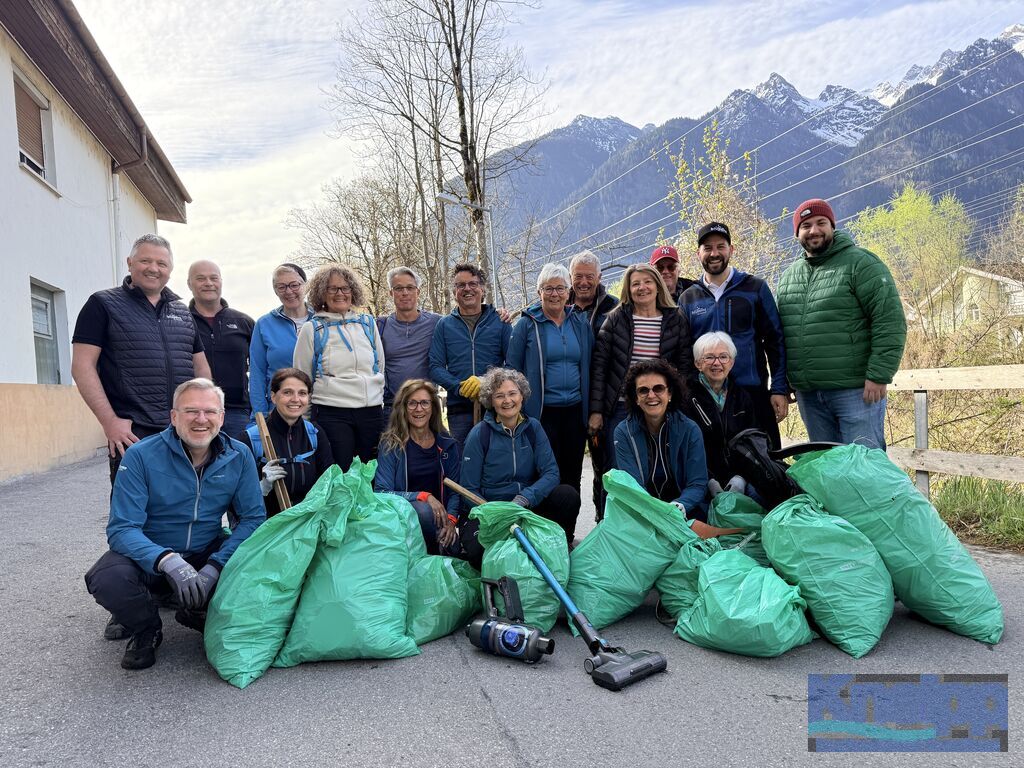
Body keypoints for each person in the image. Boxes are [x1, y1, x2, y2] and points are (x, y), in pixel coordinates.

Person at [83, 378, 264, 670]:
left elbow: (253, 518)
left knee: (256, 568)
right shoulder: (141, 456)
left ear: (221, 416)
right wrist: (167, 561)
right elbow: (121, 528)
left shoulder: (238, 455)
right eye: (191, 411)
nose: (201, 420)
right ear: (174, 416)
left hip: (205, 551)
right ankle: (146, 627)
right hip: (151, 558)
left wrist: (216, 566)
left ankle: (194, 607)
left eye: (210, 412)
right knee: (107, 578)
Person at [72, 233, 211, 486]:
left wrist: (204, 415)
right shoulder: (102, 304)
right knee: (133, 513)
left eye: (162, 264)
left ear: (170, 270)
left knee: (187, 508)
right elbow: (82, 367)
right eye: (145, 261)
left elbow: (201, 368)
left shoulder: (182, 311)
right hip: (133, 433)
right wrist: (110, 422)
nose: (153, 269)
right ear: (130, 263)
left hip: (182, 430)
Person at [777, 199, 907, 449]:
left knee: (864, 464)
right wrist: (785, 381)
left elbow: (889, 321)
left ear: (832, 226)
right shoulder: (789, 277)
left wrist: (879, 374)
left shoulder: (860, 263)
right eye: (805, 226)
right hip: (810, 395)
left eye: (820, 223)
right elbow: (782, 333)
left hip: (856, 391)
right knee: (828, 466)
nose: (813, 230)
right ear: (797, 234)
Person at [589, 263, 693, 510]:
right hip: (622, 407)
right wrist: (596, 411)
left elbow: (685, 367)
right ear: (628, 289)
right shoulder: (615, 320)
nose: (642, 288)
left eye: (647, 282)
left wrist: (677, 404)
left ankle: (656, 524)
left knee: (658, 467)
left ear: (657, 286)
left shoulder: (675, 320)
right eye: (635, 283)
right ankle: (609, 525)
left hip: (661, 407)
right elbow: (600, 367)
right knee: (616, 470)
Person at [679, 222, 788, 448]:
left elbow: (775, 340)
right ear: (698, 253)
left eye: (721, 246)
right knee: (714, 464)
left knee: (765, 462)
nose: (714, 253)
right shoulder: (688, 298)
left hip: (752, 392)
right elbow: (683, 349)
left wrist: (779, 388)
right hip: (706, 397)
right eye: (707, 248)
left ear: (731, 249)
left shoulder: (755, 288)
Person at [461, 368, 581, 546]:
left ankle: (562, 547)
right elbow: (468, 488)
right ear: (491, 401)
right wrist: (494, 513)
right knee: (477, 552)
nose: (507, 400)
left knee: (567, 495)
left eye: (512, 393)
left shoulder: (533, 428)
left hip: (527, 506)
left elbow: (551, 473)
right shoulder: (479, 434)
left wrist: (524, 499)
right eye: (499, 396)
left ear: (522, 396)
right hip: (493, 511)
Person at [507, 263, 593, 495]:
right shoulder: (526, 324)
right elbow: (511, 371)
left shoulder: (580, 323)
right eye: (548, 289)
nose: (554, 294)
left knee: (572, 474)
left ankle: (568, 531)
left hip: (575, 412)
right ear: (539, 293)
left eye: (560, 288)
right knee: (543, 475)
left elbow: (591, 366)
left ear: (568, 292)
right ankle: (544, 529)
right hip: (541, 414)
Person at [293, 264, 386, 470]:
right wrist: (305, 421)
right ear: (321, 294)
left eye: (345, 288)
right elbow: (302, 378)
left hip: (370, 411)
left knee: (370, 472)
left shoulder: (368, 324)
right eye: (332, 288)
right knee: (340, 472)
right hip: (332, 411)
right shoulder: (312, 329)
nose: (340, 294)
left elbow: (379, 366)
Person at [614, 359, 709, 521]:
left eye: (658, 388)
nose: (651, 395)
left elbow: (698, 483)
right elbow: (632, 487)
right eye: (643, 390)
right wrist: (655, 513)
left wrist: (680, 505)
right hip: (642, 512)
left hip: (685, 511)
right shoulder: (623, 432)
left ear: (670, 393)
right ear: (636, 398)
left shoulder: (690, 429)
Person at [429, 263, 512, 447]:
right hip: (459, 410)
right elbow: (435, 367)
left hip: (496, 406)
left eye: (473, 284)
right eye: (461, 285)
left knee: (497, 460)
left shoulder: (500, 322)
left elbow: (512, 363)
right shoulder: (444, 325)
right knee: (464, 463)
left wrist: (487, 382)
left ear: (482, 289)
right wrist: (458, 386)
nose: (467, 289)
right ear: (454, 292)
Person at [374, 379, 461, 555]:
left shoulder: (447, 445)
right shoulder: (391, 445)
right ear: (403, 408)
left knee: (453, 546)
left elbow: (456, 491)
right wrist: (423, 496)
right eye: (412, 403)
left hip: (441, 520)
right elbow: (382, 491)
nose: (419, 409)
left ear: (433, 407)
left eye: (424, 403)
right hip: (404, 519)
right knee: (423, 511)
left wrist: (451, 521)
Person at [240, 368, 334, 518]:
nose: (295, 399)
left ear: (309, 398)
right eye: (287, 392)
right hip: (264, 522)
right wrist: (261, 488)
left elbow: (329, 480)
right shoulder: (250, 439)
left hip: (308, 519)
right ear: (273, 396)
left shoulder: (315, 433)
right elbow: (235, 499)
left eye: (302, 393)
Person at [568, 249, 619, 520]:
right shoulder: (559, 305)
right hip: (571, 402)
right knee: (569, 470)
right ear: (570, 277)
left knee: (606, 469)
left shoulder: (615, 307)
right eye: (578, 276)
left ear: (599, 277)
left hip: (604, 400)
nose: (584, 282)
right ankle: (565, 531)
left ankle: (604, 523)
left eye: (589, 276)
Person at [682, 332, 759, 493]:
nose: (717, 363)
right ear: (698, 363)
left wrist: (741, 478)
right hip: (699, 479)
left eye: (723, 357)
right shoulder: (686, 397)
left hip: (740, 477)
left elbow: (753, 443)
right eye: (709, 357)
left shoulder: (742, 397)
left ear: (731, 362)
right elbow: (683, 448)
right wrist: (708, 480)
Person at [187, 260, 255, 439]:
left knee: (237, 462)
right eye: (200, 278)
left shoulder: (244, 323)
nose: (208, 283)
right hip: (193, 411)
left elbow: (260, 368)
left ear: (221, 282)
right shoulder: (180, 321)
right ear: (189, 284)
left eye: (213, 278)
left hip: (237, 411)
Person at [249, 263, 315, 417]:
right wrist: (260, 415)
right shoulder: (264, 324)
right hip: (280, 411)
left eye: (294, 285)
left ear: (305, 286)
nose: (289, 291)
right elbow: (257, 373)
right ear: (275, 291)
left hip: (320, 410)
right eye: (281, 287)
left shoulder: (321, 320)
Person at [377, 267, 441, 423]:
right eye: (398, 288)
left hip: (427, 406)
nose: (405, 292)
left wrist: (497, 314)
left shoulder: (437, 322)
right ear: (391, 293)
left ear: (418, 292)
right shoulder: (379, 326)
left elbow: (463, 320)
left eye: (410, 288)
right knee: (390, 448)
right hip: (393, 407)